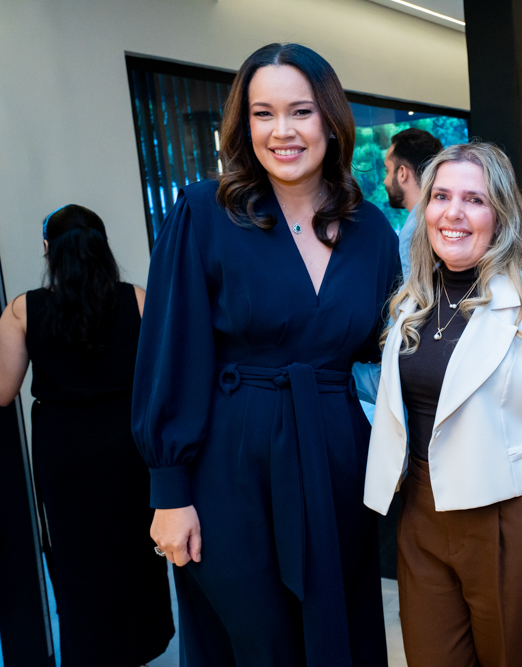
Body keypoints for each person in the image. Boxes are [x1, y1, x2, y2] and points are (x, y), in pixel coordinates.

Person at [131, 43, 398, 666]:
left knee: (336, 635)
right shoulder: (204, 213)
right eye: (263, 113)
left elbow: (387, 352)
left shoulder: (372, 231)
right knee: (256, 641)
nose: (283, 131)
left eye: (301, 111)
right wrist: (168, 491)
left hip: (338, 469)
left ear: (331, 119)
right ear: (243, 125)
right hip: (231, 469)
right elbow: (172, 350)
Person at [363, 143, 522, 667]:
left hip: (508, 518)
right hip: (422, 513)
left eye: (474, 199)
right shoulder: (410, 303)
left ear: (500, 215)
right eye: (441, 196)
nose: (453, 213)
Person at [0, 205, 173, 667]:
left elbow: (2, 390)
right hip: (128, 446)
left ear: (48, 250)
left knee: (78, 557)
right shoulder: (137, 298)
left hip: (64, 453)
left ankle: (92, 653)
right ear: (104, 246)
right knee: (136, 547)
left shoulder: (22, 310)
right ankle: (143, 648)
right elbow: (163, 376)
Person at [384, 128, 444, 280]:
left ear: (402, 173)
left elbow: (416, 293)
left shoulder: (413, 231)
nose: (385, 181)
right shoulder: (445, 217)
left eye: (387, 170)